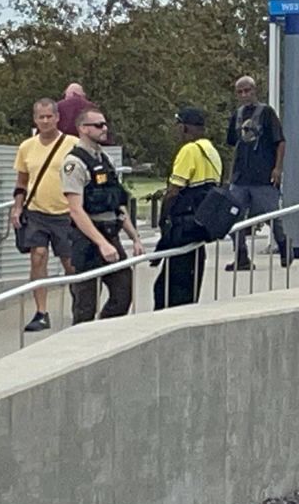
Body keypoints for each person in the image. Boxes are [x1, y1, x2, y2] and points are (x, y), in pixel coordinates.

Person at [61, 108, 143, 323]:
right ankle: (81, 345)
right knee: (85, 304)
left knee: (123, 293)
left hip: (111, 233)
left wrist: (134, 238)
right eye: (98, 125)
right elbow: (76, 210)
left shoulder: (104, 159)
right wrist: (101, 244)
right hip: (86, 240)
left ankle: (104, 333)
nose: (104, 129)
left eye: (105, 124)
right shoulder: (74, 163)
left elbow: (116, 203)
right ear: (83, 129)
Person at [12, 98, 79, 331]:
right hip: (37, 212)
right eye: (41, 117)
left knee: (70, 262)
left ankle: (80, 304)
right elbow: (21, 182)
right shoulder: (26, 147)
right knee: (38, 256)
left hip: (65, 212)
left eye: (50, 116)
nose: (45, 120)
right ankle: (41, 311)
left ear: (57, 118)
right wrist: (17, 207)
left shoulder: (72, 144)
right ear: (35, 119)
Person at [154, 107, 222, 309]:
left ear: (184, 127)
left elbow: (174, 190)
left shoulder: (189, 150)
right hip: (200, 226)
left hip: (183, 225)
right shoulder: (211, 151)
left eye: (177, 125)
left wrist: (163, 218)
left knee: (167, 289)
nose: (175, 130)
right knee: (190, 283)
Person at [224, 76, 288, 270]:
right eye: (240, 92)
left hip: (263, 175)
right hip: (241, 176)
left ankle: (285, 248)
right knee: (233, 217)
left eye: (247, 90)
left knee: (272, 215)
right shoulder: (237, 114)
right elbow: (233, 143)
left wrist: (277, 168)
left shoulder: (267, 113)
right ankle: (241, 256)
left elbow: (280, 141)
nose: (244, 95)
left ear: (254, 90)